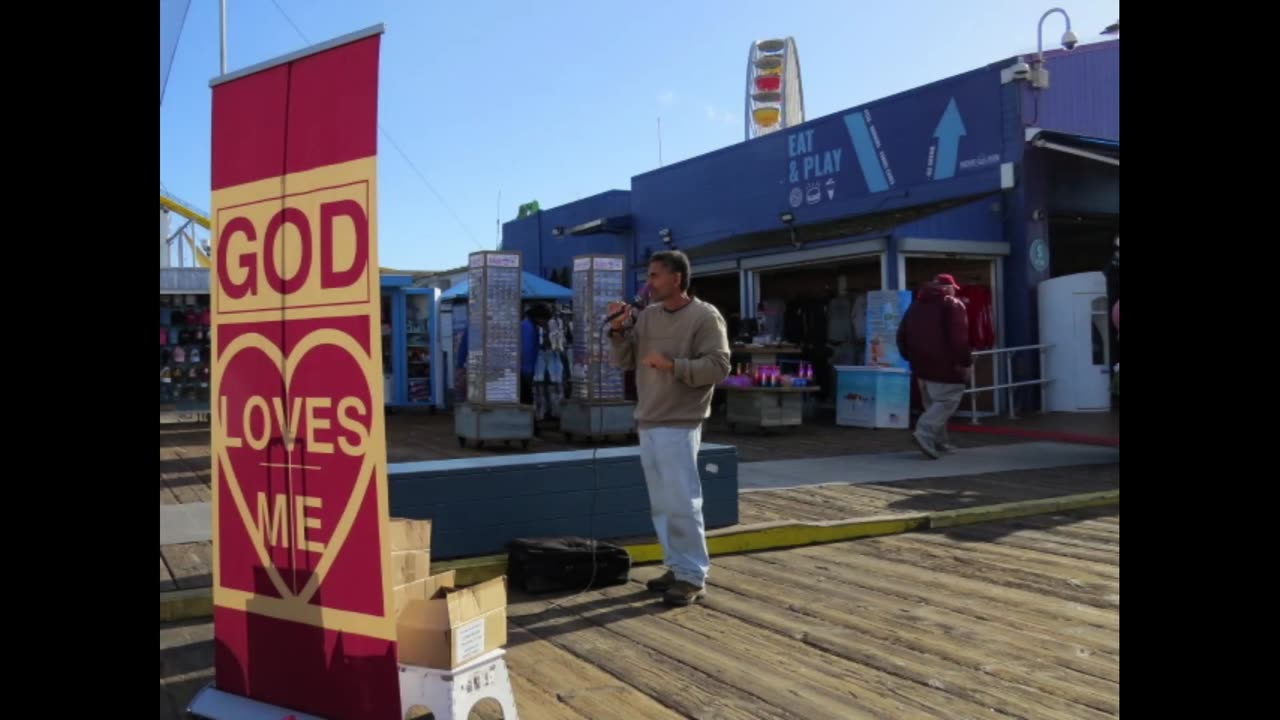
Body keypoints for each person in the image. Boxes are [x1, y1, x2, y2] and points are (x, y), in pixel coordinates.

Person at [608, 250, 730, 607]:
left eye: (655, 275)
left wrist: (672, 365)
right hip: (649, 419)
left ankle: (693, 575)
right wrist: (617, 329)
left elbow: (719, 366)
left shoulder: (705, 316)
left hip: (681, 421)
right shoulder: (646, 318)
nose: (649, 282)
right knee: (662, 503)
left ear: (677, 278)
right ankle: (677, 567)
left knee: (682, 501)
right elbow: (624, 360)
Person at [897, 273, 972, 460]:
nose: (955, 291)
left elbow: (901, 335)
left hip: (921, 366)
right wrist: (965, 362)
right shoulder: (952, 305)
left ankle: (940, 442)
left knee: (932, 405)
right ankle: (924, 433)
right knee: (947, 401)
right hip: (946, 365)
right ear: (947, 288)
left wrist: (910, 357)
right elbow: (959, 339)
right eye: (953, 288)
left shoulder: (915, 305)